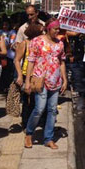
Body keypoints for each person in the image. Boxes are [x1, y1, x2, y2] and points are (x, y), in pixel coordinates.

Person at [24, 18, 68, 149]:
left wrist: (65, 79)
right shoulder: (36, 41)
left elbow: (62, 62)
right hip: (40, 80)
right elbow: (31, 61)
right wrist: (27, 81)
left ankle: (48, 138)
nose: (57, 31)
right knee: (39, 109)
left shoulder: (60, 43)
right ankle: (29, 133)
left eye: (58, 28)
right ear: (48, 29)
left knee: (52, 110)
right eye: (55, 28)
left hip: (55, 81)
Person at [14, 23, 44, 129]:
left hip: (39, 75)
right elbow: (17, 60)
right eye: (41, 32)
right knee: (27, 101)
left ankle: (38, 121)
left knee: (38, 100)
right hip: (27, 75)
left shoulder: (42, 43)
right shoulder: (25, 43)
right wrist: (19, 76)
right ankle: (26, 123)